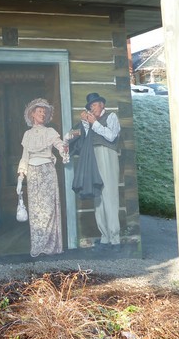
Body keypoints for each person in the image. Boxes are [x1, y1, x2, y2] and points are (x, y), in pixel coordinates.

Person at [66, 92, 121, 249]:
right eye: (90, 106)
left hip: (107, 154)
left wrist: (95, 123)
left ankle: (115, 238)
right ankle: (104, 236)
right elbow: (83, 137)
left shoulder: (111, 117)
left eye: (95, 104)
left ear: (102, 104)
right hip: (93, 155)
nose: (92, 108)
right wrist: (85, 124)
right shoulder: (90, 121)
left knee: (110, 195)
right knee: (97, 194)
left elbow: (111, 136)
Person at [17, 98, 69, 258]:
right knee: (36, 211)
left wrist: (63, 148)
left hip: (47, 172)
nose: (42, 114)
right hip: (32, 174)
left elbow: (59, 144)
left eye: (44, 112)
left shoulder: (50, 132)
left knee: (48, 209)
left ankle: (51, 247)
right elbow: (25, 156)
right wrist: (20, 176)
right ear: (32, 114)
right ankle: (38, 246)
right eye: (39, 111)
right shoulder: (27, 134)